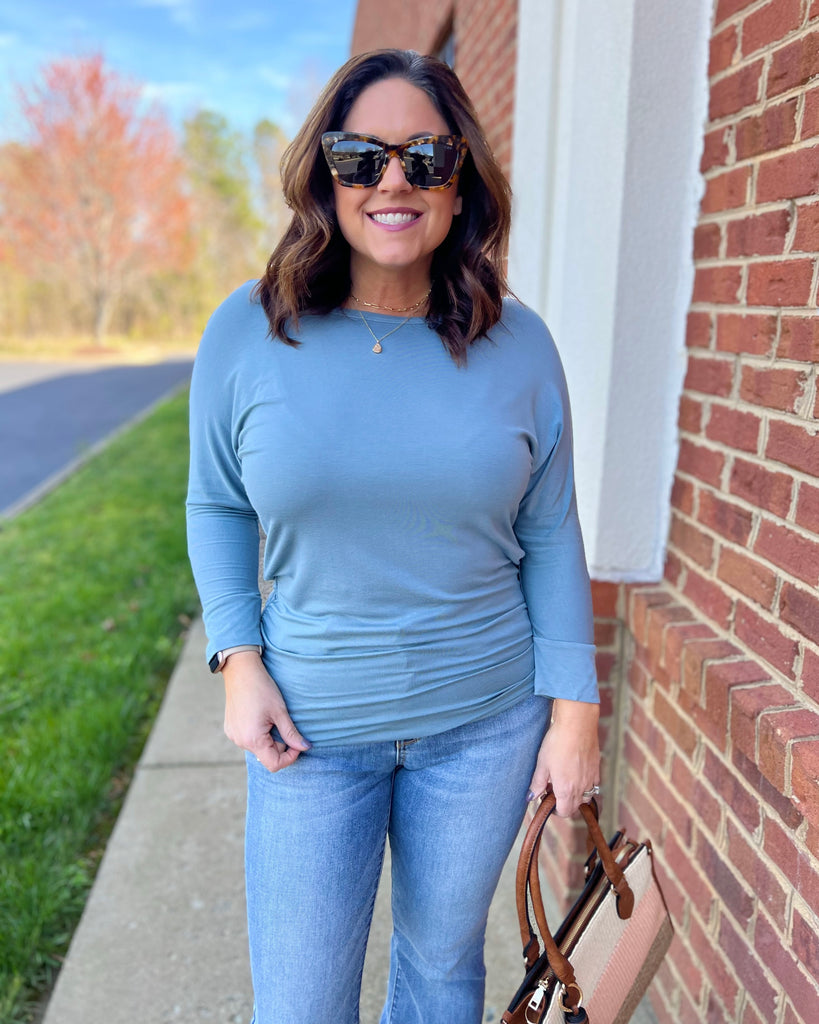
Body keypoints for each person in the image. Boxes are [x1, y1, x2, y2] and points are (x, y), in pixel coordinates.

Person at [186, 48, 600, 1024]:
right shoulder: (249, 331)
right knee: (301, 1002)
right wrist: (237, 661)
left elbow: (550, 530)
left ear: (461, 180)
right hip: (310, 730)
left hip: (485, 727)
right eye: (361, 156)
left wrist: (574, 714)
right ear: (324, 177)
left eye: (425, 154)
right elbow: (217, 504)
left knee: (443, 969)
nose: (394, 180)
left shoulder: (520, 344)